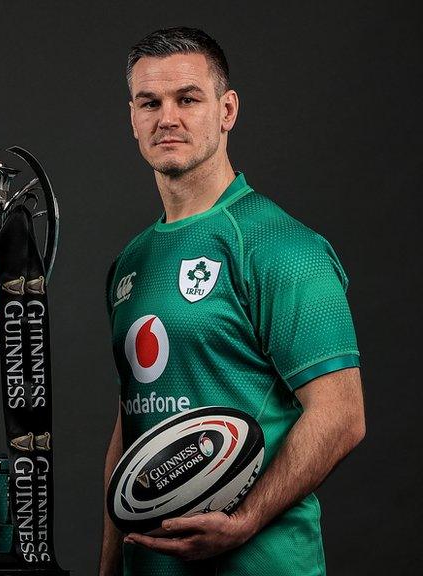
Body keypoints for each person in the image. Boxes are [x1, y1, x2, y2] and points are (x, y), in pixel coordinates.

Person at [99, 27, 365, 576]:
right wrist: (109, 568)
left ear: (227, 110)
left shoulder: (283, 248)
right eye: (149, 102)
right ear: (132, 118)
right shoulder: (131, 262)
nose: (166, 117)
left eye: (188, 99)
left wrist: (244, 521)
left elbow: (342, 415)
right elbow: (131, 426)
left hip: (260, 563)